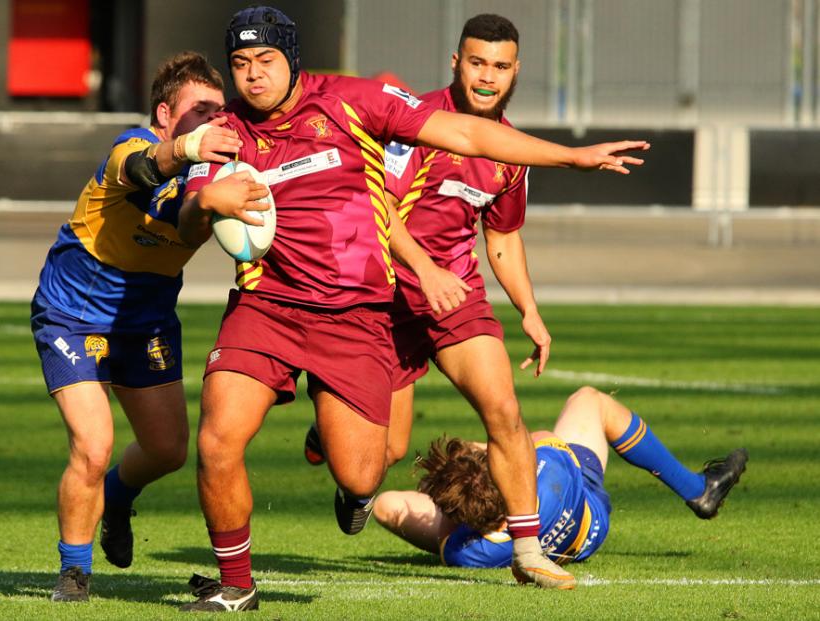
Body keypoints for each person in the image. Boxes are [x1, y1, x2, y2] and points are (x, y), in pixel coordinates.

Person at [177, 6, 648, 611]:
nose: (253, 76)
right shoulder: (225, 132)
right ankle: (235, 584)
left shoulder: (355, 101)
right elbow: (191, 221)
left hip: (364, 313)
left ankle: (508, 540)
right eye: (240, 64)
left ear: (291, 59)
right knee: (218, 438)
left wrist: (572, 157)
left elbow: (471, 141)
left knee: (369, 470)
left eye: (265, 61)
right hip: (275, 304)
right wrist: (205, 200)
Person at [304, 13, 574, 589]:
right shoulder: (411, 124)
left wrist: (528, 307)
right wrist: (423, 270)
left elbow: (500, 237)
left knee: (503, 409)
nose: (486, 77)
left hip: (456, 297)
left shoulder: (510, 152)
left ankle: (527, 552)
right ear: (456, 63)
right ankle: (339, 445)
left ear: (515, 72)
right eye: (476, 63)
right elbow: (377, 209)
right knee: (383, 456)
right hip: (381, 298)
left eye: (500, 67)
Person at [30, 51, 265, 602]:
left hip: (149, 318)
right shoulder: (132, 146)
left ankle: (116, 497)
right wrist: (188, 151)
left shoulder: (221, 176)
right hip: (73, 311)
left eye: (218, 110)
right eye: (198, 110)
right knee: (93, 444)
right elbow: (143, 170)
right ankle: (74, 572)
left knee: (168, 450)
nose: (213, 120)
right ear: (164, 114)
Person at [373, 386, 748, 573]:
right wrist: (480, 452)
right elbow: (526, 443)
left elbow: (392, 506)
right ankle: (698, 489)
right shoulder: (548, 468)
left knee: (388, 505)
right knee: (589, 399)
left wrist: (451, 500)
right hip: (587, 513)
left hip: (529, 539)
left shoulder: (466, 551)